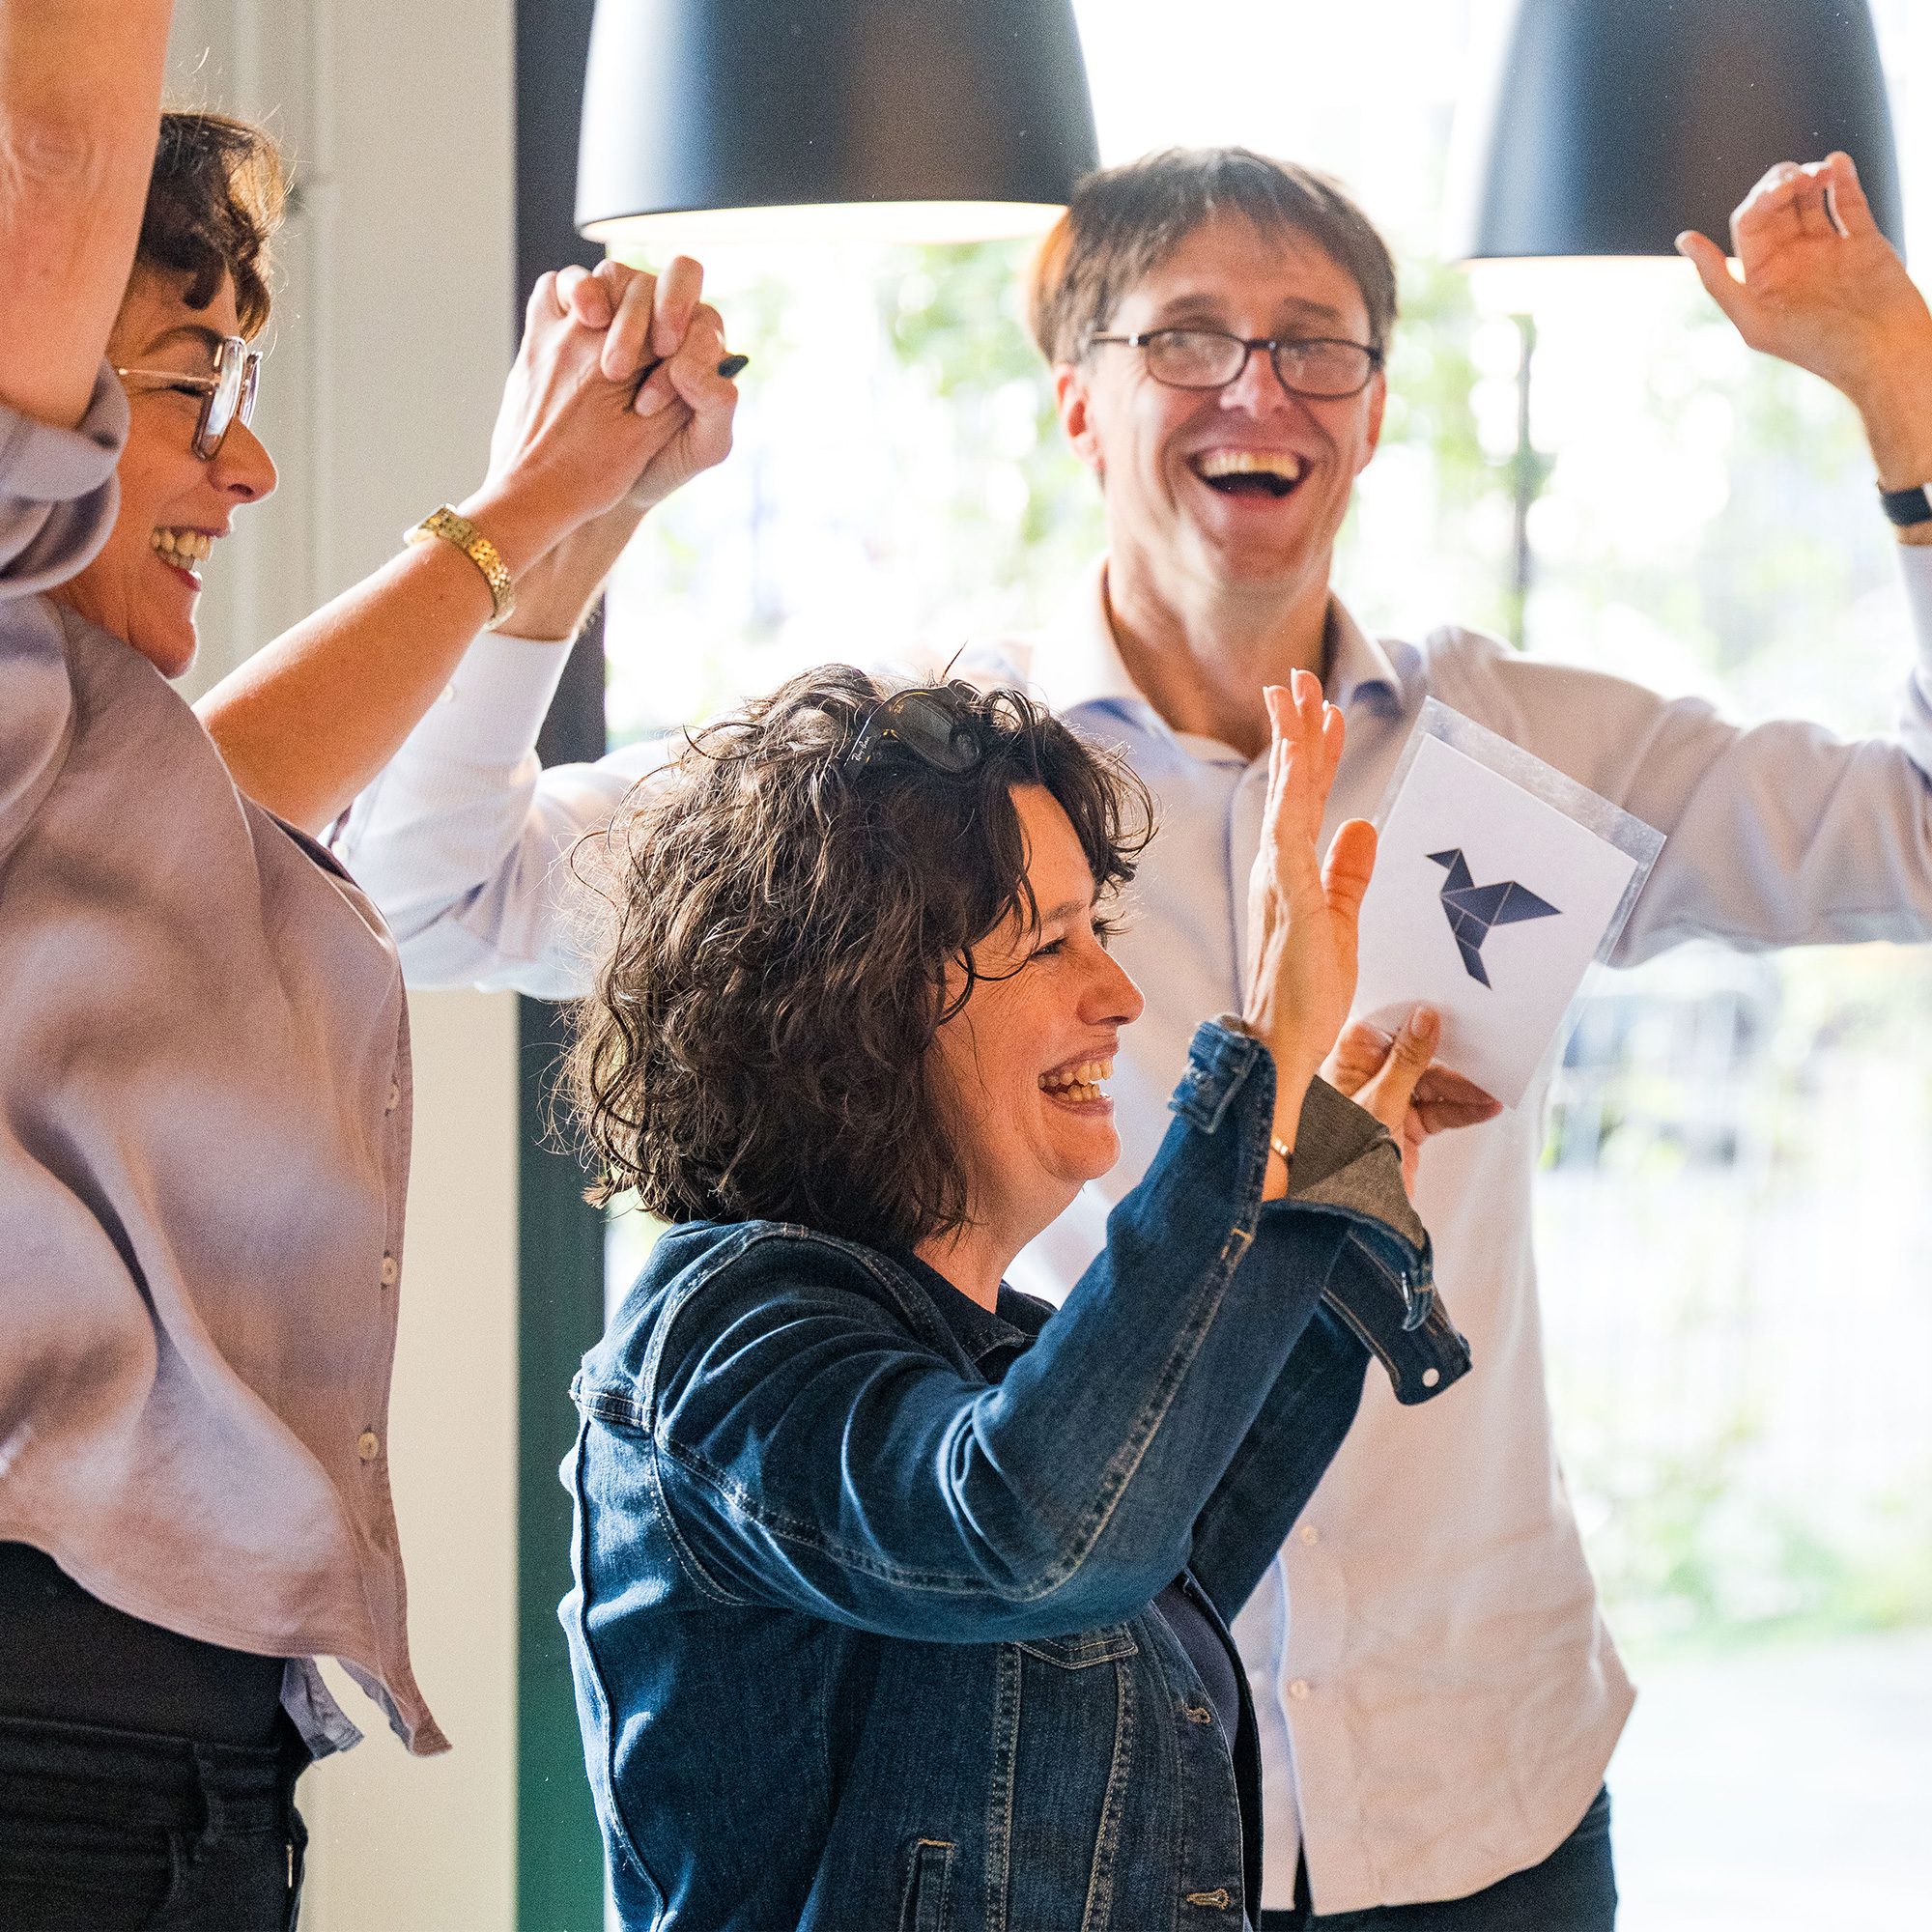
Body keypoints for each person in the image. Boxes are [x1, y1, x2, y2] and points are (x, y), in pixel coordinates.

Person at [327, 139, 1932, 1926]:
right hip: (1045, 1801)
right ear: (1078, 409)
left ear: (1379, 409)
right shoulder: (926, 789)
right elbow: (427, 894)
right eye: (1187, 338)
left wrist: (1903, 388)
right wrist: (561, 516)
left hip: (1482, 1787)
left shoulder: (1540, 752)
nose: (1259, 385)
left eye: (1316, 342)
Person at [0, 4, 735, 1923]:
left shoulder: (66, 782)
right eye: (189, 387)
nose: (245, 473)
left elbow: (236, 789)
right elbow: (58, 168)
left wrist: (555, 511)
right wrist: (514, 514)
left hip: (158, 1749)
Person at [559, 663, 1462, 1931]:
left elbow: (1158, 1540)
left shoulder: (1003, 1361)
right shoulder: (725, 1340)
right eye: (1048, 943)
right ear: (852, 1012)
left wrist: (1324, 1176)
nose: (1122, 997)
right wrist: (1261, 1063)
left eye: (1100, 932)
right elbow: (1033, 1538)